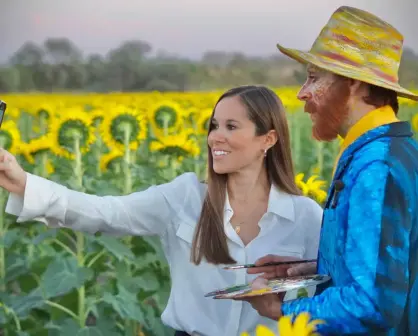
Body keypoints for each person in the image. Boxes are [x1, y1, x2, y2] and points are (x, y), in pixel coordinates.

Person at [0, 85, 323, 336]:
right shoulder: (185, 196)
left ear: (268, 139)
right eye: (213, 126)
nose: (215, 137)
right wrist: (22, 181)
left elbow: (341, 298)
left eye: (231, 126)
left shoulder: (307, 217)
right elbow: (107, 212)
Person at [240, 6, 418, 336]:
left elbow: (373, 304)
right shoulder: (387, 151)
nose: (302, 94)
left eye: (314, 78)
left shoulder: (377, 169)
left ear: (353, 84)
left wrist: (282, 308)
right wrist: (308, 270)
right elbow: (390, 266)